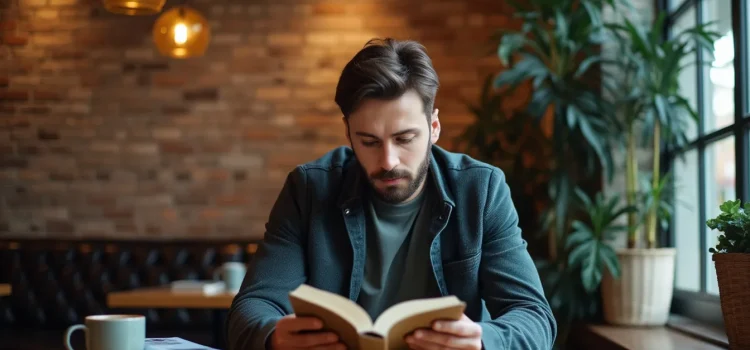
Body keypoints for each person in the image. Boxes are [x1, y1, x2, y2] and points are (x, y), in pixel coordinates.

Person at [226, 38, 557, 350]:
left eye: (405, 138)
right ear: (348, 134)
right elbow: (252, 308)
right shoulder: (308, 189)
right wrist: (272, 336)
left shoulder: (481, 191)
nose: (388, 161)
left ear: (434, 128)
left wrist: (482, 341)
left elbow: (534, 316)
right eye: (369, 142)